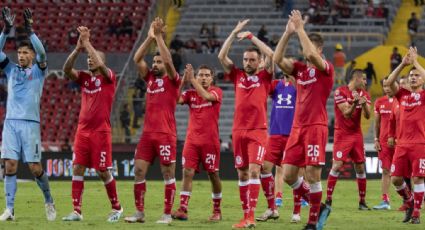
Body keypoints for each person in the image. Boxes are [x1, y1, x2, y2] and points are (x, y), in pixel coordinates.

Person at [273, 10, 334, 230]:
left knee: (312, 175)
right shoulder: (299, 71)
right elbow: (277, 59)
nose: (304, 51)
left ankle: (312, 221)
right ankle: (321, 207)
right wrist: (288, 33)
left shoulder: (326, 70)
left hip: (316, 126)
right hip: (297, 128)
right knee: (289, 175)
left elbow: (310, 54)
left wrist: (301, 29)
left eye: (309, 47)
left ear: (319, 50)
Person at [61, 26, 123, 222]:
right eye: (88, 57)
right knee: (78, 167)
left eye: (93, 57)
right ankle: (77, 211)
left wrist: (87, 42)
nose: (89, 59)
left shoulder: (109, 78)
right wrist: (78, 49)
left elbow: (101, 65)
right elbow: (66, 69)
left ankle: (117, 208)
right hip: (83, 131)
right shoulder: (84, 78)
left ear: (103, 62)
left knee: (102, 171)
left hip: (100, 131)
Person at [0, 7, 56, 222]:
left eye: (25, 53)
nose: (21, 56)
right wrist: (6, 31)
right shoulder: (11, 69)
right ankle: (10, 209)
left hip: (30, 124)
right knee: (10, 165)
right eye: (20, 53)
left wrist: (30, 30)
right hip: (11, 123)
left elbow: (43, 53)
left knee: (34, 168)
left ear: (31, 55)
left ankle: (49, 200)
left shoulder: (38, 71)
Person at [124, 17, 181, 224]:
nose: (156, 65)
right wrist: (149, 38)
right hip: (147, 135)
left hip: (166, 134)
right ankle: (139, 213)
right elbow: (137, 59)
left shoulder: (174, 80)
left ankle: (167, 214)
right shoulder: (149, 79)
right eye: (154, 62)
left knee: (168, 173)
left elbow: (168, 61)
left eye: (158, 62)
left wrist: (158, 37)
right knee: (139, 171)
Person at [218, 19, 273, 228]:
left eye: (251, 60)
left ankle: (251, 216)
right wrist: (233, 33)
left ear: (258, 62)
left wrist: (251, 37)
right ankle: (245, 216)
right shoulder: (237, 75)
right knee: (241, 173)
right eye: (245, 59)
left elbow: (270, 54)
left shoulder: (265, 76)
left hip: (258, 130)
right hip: (238, 130)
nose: (247, 63)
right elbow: (221, 56)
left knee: (253, 171)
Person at [172, 64, 223, 221]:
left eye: (207, 75)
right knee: (187, 172)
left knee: (213, 174)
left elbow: (207, 97)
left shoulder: (216, 92)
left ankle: (217, 211)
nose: (204, 78)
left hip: (210, 142)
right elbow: (175, 99)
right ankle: (183, 209)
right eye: (201, 75)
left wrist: (192, 79)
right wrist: (183, 81)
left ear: (212, 78)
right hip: (192, 141)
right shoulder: (190, 94)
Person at [384, 46, 425, 224]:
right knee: (396, 179)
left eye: (416, 75)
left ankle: (416, 213)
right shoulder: (403, 95)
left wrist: (416, 61)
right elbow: (388, 83)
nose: (413, 77)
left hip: (420, 144)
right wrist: (402, 64)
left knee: (417, 178)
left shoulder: (424, 96)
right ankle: (409, 201)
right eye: (411, 76)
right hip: (402, 144)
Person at [255, 74, 300, 223]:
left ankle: (296, 211)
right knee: (264, 168)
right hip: (274, 135)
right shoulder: (276, 84)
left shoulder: (298, 85)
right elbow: (263, 86)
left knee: (293, 175)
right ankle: (272, 208)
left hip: (291, 135)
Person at [325, 69, 371, 210]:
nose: (365, 82)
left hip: (357, 135)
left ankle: (362, 202)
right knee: (337, 165)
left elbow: (368, 115)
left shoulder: (365, 94)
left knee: (360, 167)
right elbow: (346, 113)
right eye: (363, 79)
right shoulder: (340, 92)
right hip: (342, 135)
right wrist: (355, 103)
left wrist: (363, 104)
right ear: (356, 79)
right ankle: (328, 200)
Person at [372, 77, 398, 210]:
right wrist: (376, 139)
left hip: (400, 141)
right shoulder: (379, 102)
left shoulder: (402, 100)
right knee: (386, 171)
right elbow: (376, 123)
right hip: (384, 142)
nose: (387, 88)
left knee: (408, 172)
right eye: (384, 86)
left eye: (389, 85)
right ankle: (385, 201)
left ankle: (412, 200)